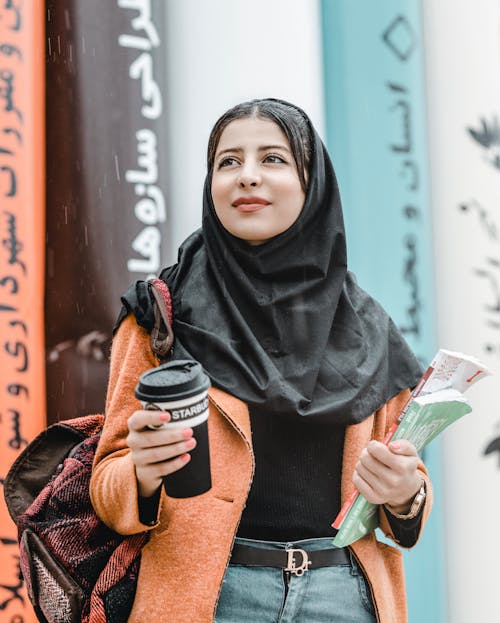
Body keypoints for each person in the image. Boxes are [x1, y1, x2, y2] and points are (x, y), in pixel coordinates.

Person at [90, 98, 432, 623]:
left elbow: (402, 511)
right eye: (228, 162)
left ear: (311, 183)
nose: (247, 176)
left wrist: (406, 493)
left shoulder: (367, 327)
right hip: (209, 597)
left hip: (343, 597)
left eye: (273, 159)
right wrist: (140, 471)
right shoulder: (161, 313)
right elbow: (107, 491)